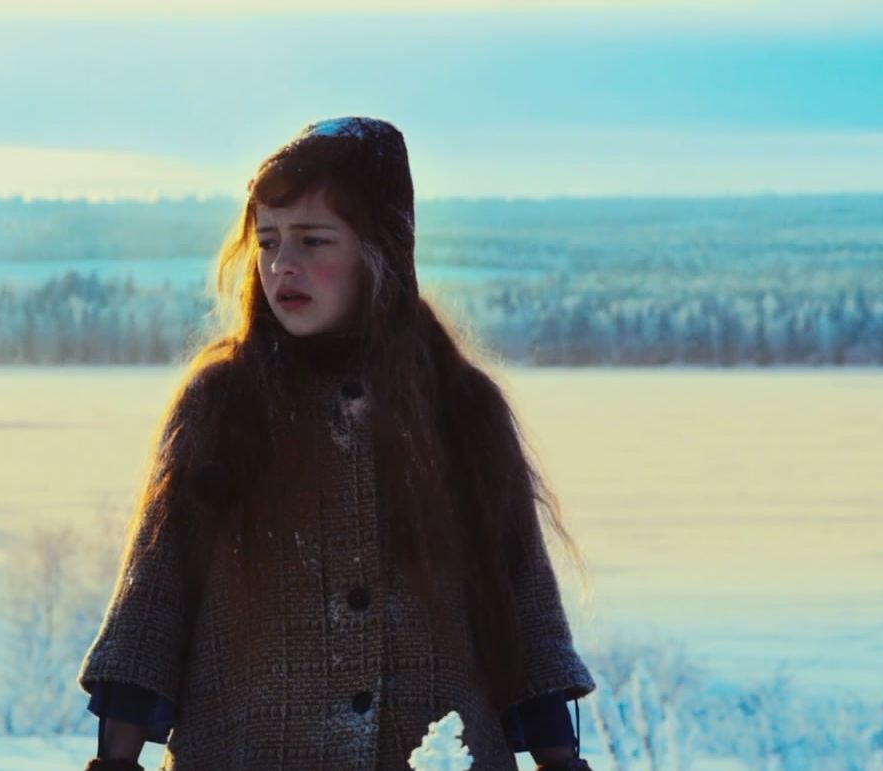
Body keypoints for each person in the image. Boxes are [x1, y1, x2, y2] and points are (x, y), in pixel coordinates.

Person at [77, 116, 595, 771]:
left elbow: (526, 612)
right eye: (267, 242)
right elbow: (153, 605)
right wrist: (115, 762)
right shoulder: (223, 404)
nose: (282, 266)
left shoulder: (461, 409)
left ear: (380, 251)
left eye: (313, 240)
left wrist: (559, 761)